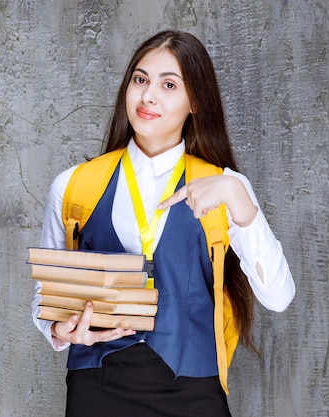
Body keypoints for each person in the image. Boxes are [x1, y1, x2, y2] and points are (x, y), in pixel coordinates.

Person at [32, 30, 295, 417]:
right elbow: (45, 297)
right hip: (96, 387)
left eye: (168, 84)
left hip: (193, 389)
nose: (148, 96)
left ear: (196, 102)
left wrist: (239, 199)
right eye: (140, 79)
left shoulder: (225, 187)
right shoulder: (74, 185)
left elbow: (278, 297)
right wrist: (58, 331)